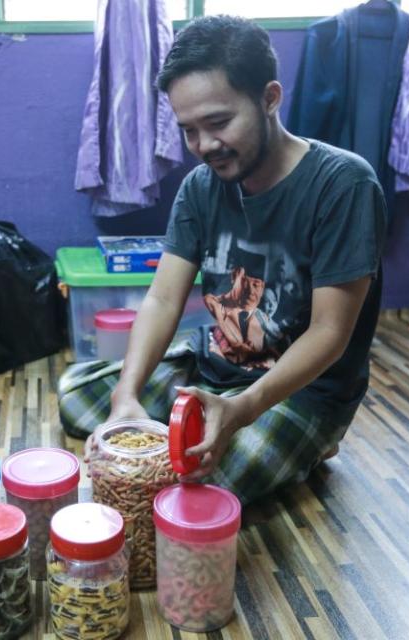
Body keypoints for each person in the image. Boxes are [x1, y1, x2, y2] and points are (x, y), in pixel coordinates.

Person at [59, 15, 387, 505]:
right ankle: (187, 419)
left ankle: (315, 440)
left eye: (218, 123)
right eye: (189, 130)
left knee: (187, 485)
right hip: (211, 369)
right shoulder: (200, 187)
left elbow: (329, 335)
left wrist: (243, 409)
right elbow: (164, 299)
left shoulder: (344, 185)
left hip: (299, 394)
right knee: (75, 393)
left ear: (270, 98)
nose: (204, 147)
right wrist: (126, 397)